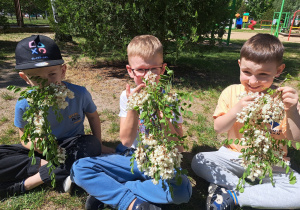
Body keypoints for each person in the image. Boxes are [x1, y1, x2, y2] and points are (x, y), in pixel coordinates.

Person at [71, 35, 192, 210]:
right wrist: (133, 107)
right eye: (141, 70)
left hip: (162, 161)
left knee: (182, 192)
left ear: (163, 69)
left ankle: (112, 192)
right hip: (134, 158)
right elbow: (126, 141)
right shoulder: (126, 97)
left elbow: (179, 147)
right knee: (79, 168)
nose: (148, 76)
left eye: (153, 69)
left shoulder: (171, 99)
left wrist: (163, 116)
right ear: (130, 71)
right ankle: (131, 202)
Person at [191, 33, 300, 209]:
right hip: (234, 156)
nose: (253, 81)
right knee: (200, 159)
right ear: (240, 65)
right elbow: (218, 128)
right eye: (247, 72)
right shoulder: (232, 92)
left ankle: (231, 194)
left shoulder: (284, 100)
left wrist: (292, 111)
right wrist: (236, 110)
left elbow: (296, 138)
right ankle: (251, 190)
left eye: (263, 74)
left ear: (278, 71)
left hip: (271, 162)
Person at [0, 35, 114, 197]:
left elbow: (93, 117)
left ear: (63, 71)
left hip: (72, 144)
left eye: (52, 74)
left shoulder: (78, 93)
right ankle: (61, 173)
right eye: (36, 78)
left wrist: (99, 144)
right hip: (42, 151)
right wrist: (36, 145)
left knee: (91, 144)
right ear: (25, 78)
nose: (47, 83)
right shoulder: (25, 103)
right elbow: (23, 137)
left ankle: (27, 184)